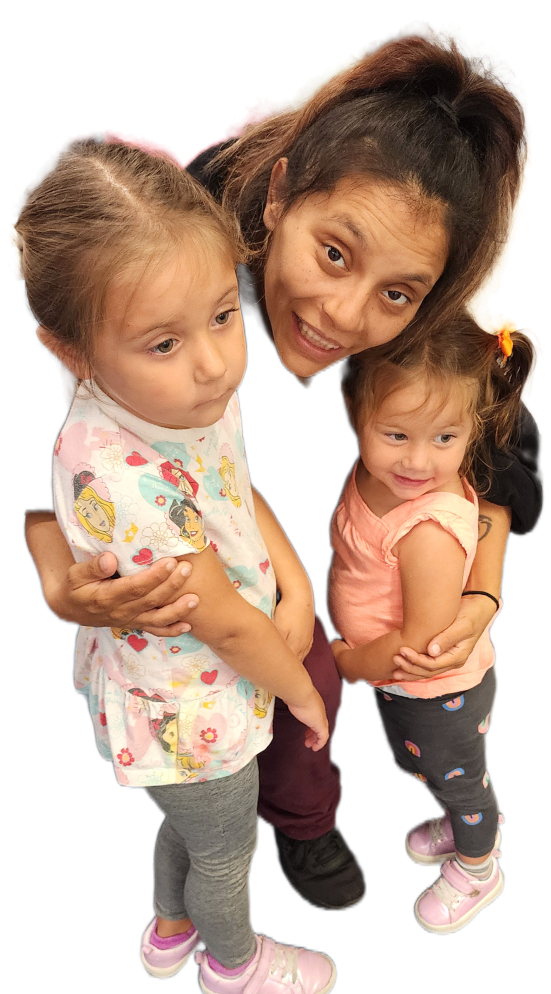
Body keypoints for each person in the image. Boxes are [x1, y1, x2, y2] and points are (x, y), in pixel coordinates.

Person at [21, 22, 542, 920]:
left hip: (309, 583)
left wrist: (480, 590)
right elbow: (54, 439)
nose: (341, 314)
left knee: (311, 726)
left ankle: (306, 816)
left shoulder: (423, 339)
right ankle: (288, 833)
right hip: (196, 613)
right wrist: (56, 573)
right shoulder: (172, 263)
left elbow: (504, 459)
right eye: (333, 252)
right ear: (276, 195)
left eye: (396, 292)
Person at [10, 129, 340, 994]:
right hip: (192, 702)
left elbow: (231, 487)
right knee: (227, 847)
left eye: (223, 315)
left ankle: (168, 928)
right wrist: (301, 694)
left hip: (202, 684)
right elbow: (223, 621)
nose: (213, 363)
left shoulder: (181, 397)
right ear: (68, 348)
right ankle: (232, 966)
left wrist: (293, 579)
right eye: (163, 342)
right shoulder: (121, 477)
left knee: (196, 827)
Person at [328, 311, 541, 934]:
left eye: (445, 439)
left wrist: (348, 662)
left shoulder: (428, 528)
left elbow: (421, 642)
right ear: (354, 410)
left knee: (461, 778)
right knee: (437, 767)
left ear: (474, 428)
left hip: (434, 688)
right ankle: (461, 813)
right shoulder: (384, 479)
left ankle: (479, 864)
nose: (418, 461)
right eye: (396, 434)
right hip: (415, 688)